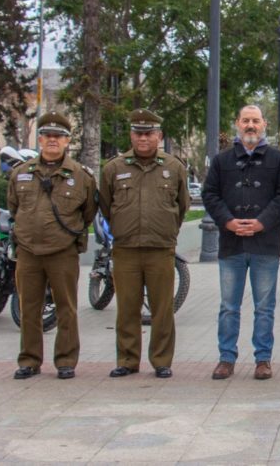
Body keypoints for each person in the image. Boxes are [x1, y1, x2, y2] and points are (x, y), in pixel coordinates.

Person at [203, 105, 280, 381]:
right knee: (228, 306)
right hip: (231, 244)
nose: (251, 125)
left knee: (264, 307)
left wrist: (262, 222)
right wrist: (228, 221)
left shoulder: (279, 159)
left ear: (264, 124)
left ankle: (263, 359)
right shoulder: (222, 160)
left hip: (265, 244)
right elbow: (210, 194)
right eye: (246, 121)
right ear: (237, 124)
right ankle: (226, 358)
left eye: (255, 121)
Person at [98, 109, 190, 379]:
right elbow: (105, 205)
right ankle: (127, 360)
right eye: (138, 133)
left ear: (159, 136)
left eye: (149, 133)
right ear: (131, 135)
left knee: (162, 309)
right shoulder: (114, 168)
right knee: (127, 307)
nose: (143, 138)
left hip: (160, 249)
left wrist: (167, 230)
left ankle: (161, 360)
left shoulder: (173, 167)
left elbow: (182, 206)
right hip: (125, 250)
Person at [8, 112, 97, 380]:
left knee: (66, 308)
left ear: (67, 141)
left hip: (62, 252)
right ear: (40, 139)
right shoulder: (21, 173)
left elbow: (88, 212)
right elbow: (14, 207)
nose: (52, 141)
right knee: (29, 307)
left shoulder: (81, 176)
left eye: (58, 137)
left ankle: (66, 360)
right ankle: (29, 360)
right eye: (47, 136)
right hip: (29, 252)